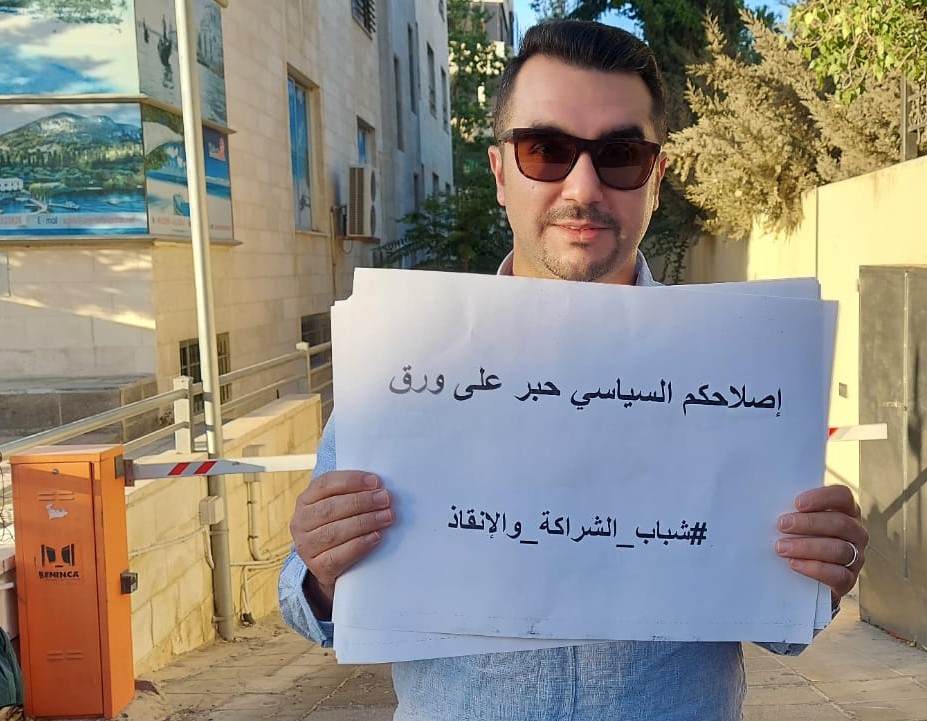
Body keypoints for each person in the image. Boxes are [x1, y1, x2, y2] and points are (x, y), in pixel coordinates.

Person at [280, 19, 868, 720]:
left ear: (656, 176)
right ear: (500, 171)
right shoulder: (404, 361)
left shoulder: (737, 373)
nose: (582, 186)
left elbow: (781, 626)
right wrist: (320, 568)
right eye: (546, 149)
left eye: (618, 153)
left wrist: (818, 576)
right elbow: (308, 604)